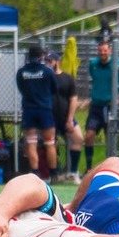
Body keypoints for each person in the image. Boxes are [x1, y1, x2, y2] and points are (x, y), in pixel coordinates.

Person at [84, 38, 119, 172]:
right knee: (89, 135)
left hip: (110, 107)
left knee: (110, 138)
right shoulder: (93, 64)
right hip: (96, 107)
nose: (102, 53)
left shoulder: (117, 63)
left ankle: (110, 169)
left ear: (110, 51)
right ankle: (88, 167)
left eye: (105, 50)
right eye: (100, 51)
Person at [15, 44, 57, 179]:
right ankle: (53, 174)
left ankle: (35, 174)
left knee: (31, 143)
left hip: (29, 110)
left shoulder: (22, 72)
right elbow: (55, 89)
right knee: (49, 142)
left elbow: (21, 88)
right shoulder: (47, 71)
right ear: (41, 56)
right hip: (45, 110)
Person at [51, 52, 79, 182]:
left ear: (57, 62)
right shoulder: (46, 77)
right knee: (50, 144)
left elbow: (73, 99)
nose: (48, 63)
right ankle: (54, 173)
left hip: (65, 117)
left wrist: (69, 119)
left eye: (50, 61)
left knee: (78, 138)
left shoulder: (67, 78)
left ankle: (73, 172)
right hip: (50, 118)